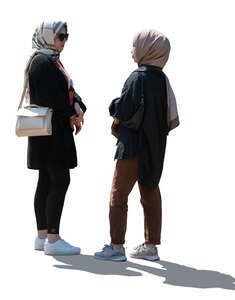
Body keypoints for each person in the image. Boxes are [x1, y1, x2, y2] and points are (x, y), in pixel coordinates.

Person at [94, 29, 179, 262]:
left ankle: (116, 246)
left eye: (135, 45)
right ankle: (151, 247)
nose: (132, 49)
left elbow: (124, 109)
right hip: (154, 147)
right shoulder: (163, 81)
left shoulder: (137, 77)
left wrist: (113, 105)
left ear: (147, 48)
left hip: (131, 146)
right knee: (150, 192)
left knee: (118, 195)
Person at [25, 21, 87, 255]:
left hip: (48, 133)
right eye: (60, 36)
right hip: (51, 134)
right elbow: (50, 97)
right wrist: (72, 111)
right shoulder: (42, 61)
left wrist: (78, 104)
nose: (64, 41)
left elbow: (68, 90)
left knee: (46, 180)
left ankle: (42, 236)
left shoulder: (50, 60)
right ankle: (53, 238)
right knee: (59, 180)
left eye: (66, 36)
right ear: (48, 37)